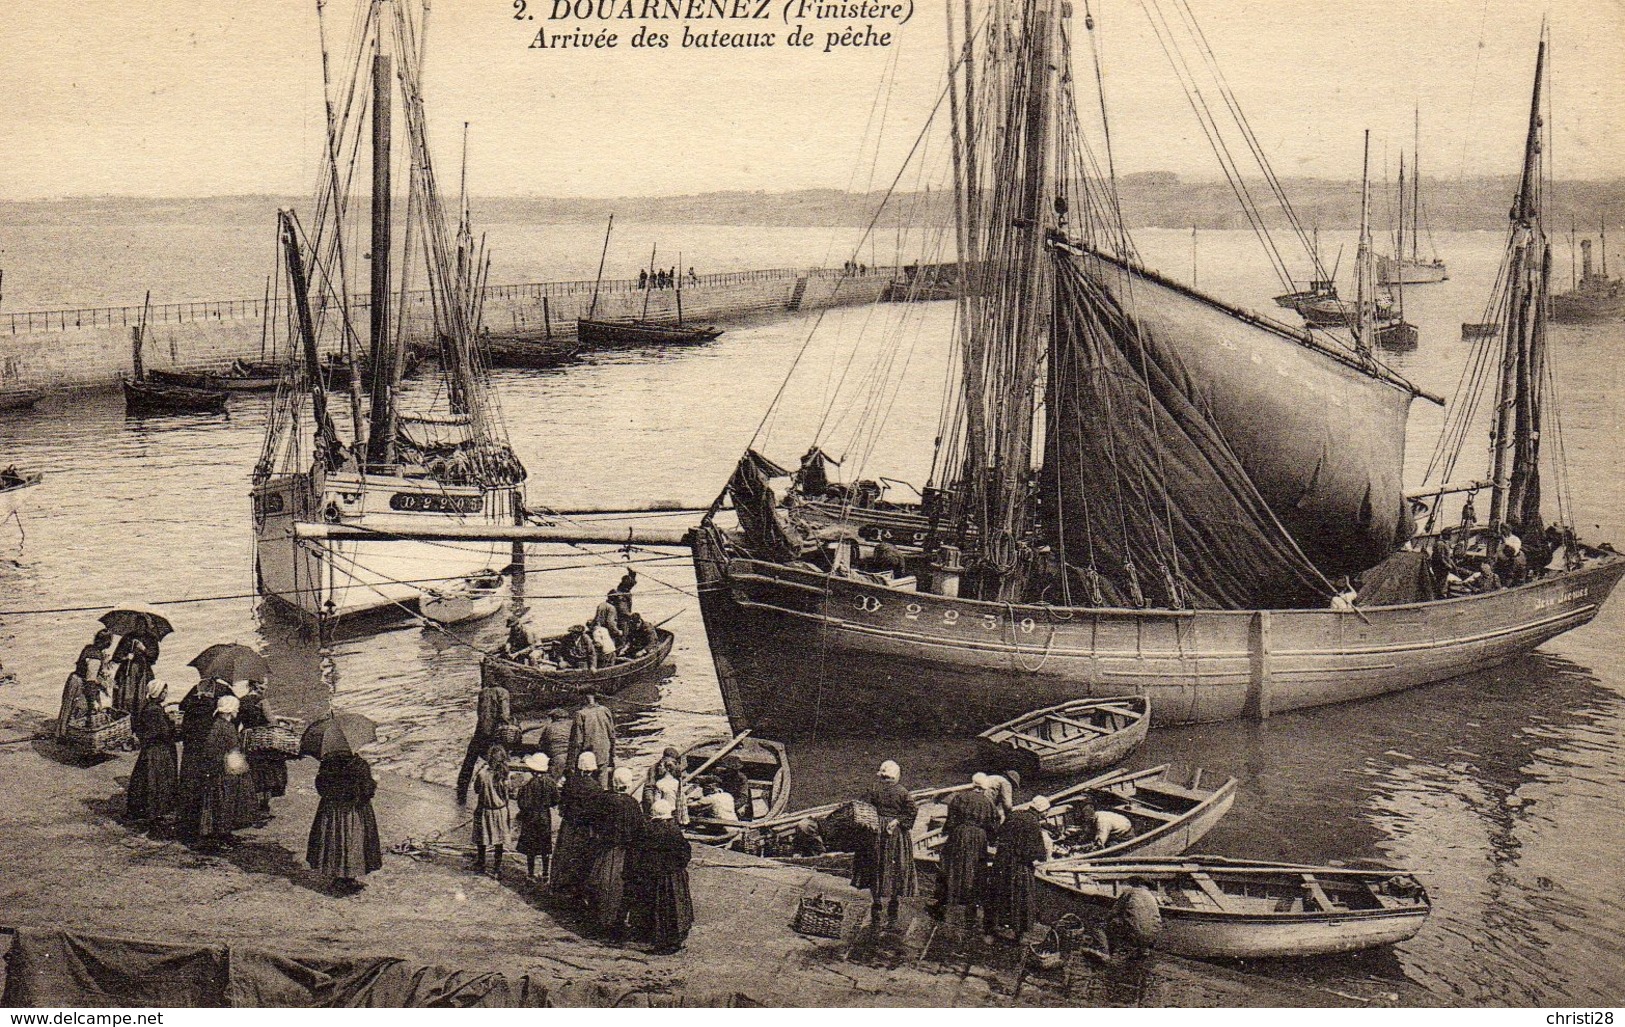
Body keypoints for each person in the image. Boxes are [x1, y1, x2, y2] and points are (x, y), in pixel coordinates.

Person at [307, 736, 383, 894]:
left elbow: (321, 786)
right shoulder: (359, 764)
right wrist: (374, 782)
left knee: (333, 841)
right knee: (352, 841)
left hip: (331, 812)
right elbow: (366, 791)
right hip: (353, 813)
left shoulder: (327, 763)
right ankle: (347, 878)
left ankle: (337, 877)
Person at [852, 760, 917, 926]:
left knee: (876, 864)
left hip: (876, 831)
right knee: (896, 866)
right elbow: (912, 811)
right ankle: (894, 900)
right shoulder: (903, 792)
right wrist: (897, 820)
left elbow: (862, 806)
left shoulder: (874, 789)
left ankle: (877, 900)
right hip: (895, 833)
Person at [588, 767, 647, 942]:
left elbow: (594, 822)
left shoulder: (603, 799)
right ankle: (616, 921)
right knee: (621, 886)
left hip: (604, 849)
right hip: (625, 851)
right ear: (627, 784)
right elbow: (639, 830)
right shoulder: (632, 804)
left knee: (600, 882)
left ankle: (600, 920)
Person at [630, 797, 694, 955]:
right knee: (674, 907)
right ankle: (673, 937)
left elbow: (639, 852)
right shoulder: (674, 831)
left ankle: (650, 934)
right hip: (673, 875)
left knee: (653, 906)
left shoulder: (647, 830)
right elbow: (685, 853)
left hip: (653, 875)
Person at [934, 773, 999, 925]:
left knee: (952, 866)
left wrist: (948, 831)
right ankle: (971, 904)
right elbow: (994, 824)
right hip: (978, 838)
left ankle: (947, 900)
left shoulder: (960, 797)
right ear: (984, 788)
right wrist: (991, 839)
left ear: (973, 784)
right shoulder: (988, 803)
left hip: (960, 834)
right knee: (975, 868)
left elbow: (951, 818)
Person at [986, 795, 1052, 943]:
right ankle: (1018, 932)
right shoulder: (1033, 823)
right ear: (1042, 811)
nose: (1047, 814)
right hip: (1019, 865)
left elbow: (1000, 833)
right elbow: (1037, 852)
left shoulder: (1014, 814)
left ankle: (993, 926)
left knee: (998, 892)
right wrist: (1042, 857)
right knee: (1021, 896)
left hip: (1002, 860)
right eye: (1047, 811)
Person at [188, 695, 245, 850]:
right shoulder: (225, 727)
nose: (238, 710)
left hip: (221, 770)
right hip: (222, 772)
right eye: (236, 707)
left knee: (223, 804)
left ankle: (224, 834)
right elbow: (225, 749)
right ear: (229, 710)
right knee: (222, 804)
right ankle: (220, 836)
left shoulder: (219, 725)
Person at [551, 751, 603, 904]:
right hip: (585, 829)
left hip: (569, 825)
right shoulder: (595, 788)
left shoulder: (571, 783)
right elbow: (597, 812)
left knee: (565, 855)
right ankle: (580, 893)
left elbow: (563, 805)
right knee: (583, 858)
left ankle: (560, 888)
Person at [126, 680, 178, 825]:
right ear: (158, 693)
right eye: (164, 691)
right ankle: (155, 812)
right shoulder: (154, 710)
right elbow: (163, 732)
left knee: (146, 779)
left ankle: (146, 810)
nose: (166, 693)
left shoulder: (151, 707)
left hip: (150, 749)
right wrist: (172, 723)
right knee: (156, 780)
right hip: (157, 750)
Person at [456, 676, 513, 805]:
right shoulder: (503, 692)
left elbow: (480, 714)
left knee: (469, 761)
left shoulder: (483, 692)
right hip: (494, 733)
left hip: (480, 731)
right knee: (499, 761)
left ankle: (461, 793)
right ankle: (498, 795)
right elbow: (505, 715)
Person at [237, 680, 287, 817]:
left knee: (254, 770)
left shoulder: (240, 701)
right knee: (268, 772)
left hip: (248, 739)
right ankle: (264, 807)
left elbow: (239, 722)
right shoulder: (262, 700)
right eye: (263, 684)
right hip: (263, 740)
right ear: (255, 685)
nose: (266, 687)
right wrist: (281, 722)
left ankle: (254, 805)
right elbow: (271, 721)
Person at [472, 744, 513, 878]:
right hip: (500, 811)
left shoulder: (483, 774)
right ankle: (496, 868)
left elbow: (477, 790)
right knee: (499, 841)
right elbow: (507, 796)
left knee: (482, 838)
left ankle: (481, 863)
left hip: (485, 810)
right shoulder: (504, 776)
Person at [516, 753, 559, 881]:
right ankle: (545, 873)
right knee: (545, 845)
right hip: (544, 816)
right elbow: (556, 799)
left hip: (530, 817)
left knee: (531, 847)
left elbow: (521, 803)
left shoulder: (528, 784)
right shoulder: (550, 782)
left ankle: (530, 873)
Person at [568, 691, 616, 788]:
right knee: (603, 783)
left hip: (588, 755)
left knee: (587, 784)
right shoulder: (605, 710)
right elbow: (612, 734)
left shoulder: (580, 714)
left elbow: (577, 741)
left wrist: (572, 763)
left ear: (584, 699)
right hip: (603, 753)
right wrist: (612, 754)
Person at [110, 633, 156, 714]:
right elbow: (116, 657)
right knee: (124, 698)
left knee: (141, 700)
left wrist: (144, 649)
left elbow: (153, 658)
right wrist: (126, 657)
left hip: (143, 674)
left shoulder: (150, 638)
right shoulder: (127, 637)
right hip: (126, 674)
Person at [643, 746, 688, 825]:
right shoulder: (654, 769)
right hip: (658, 798)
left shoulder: (675, 766)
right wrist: (653, 806)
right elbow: (649, 789)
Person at [716, 754, 753, 821]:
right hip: (722, 800)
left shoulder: (742, 778)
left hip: (735, 802)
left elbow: (743, 797)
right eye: (728, 768)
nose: (729, 771)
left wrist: (731, 806)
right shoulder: (721, 775)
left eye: (732, 769)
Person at [540, 707, 574, 779]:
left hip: (557, 756)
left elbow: (542, 743)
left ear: (554, 717)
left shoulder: (549, 727)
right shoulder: (572, 725)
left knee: (552, 780)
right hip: (572, 756)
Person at [590, 592, 623, 661]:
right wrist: (618, 632)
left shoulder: (601, 605)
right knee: (609, 650)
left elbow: (596, 618)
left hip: (598, 630)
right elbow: (610, 623)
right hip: (607, 632)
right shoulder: (611, 608)